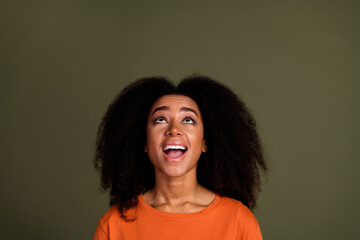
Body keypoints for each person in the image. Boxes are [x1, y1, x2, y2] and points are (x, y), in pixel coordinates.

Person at [93, 75, 267, 240]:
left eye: (188, 120)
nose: (174, 129)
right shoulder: (113, 224)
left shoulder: (239, 221)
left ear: (205, 142)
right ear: (145, 143)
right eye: (160, 119)